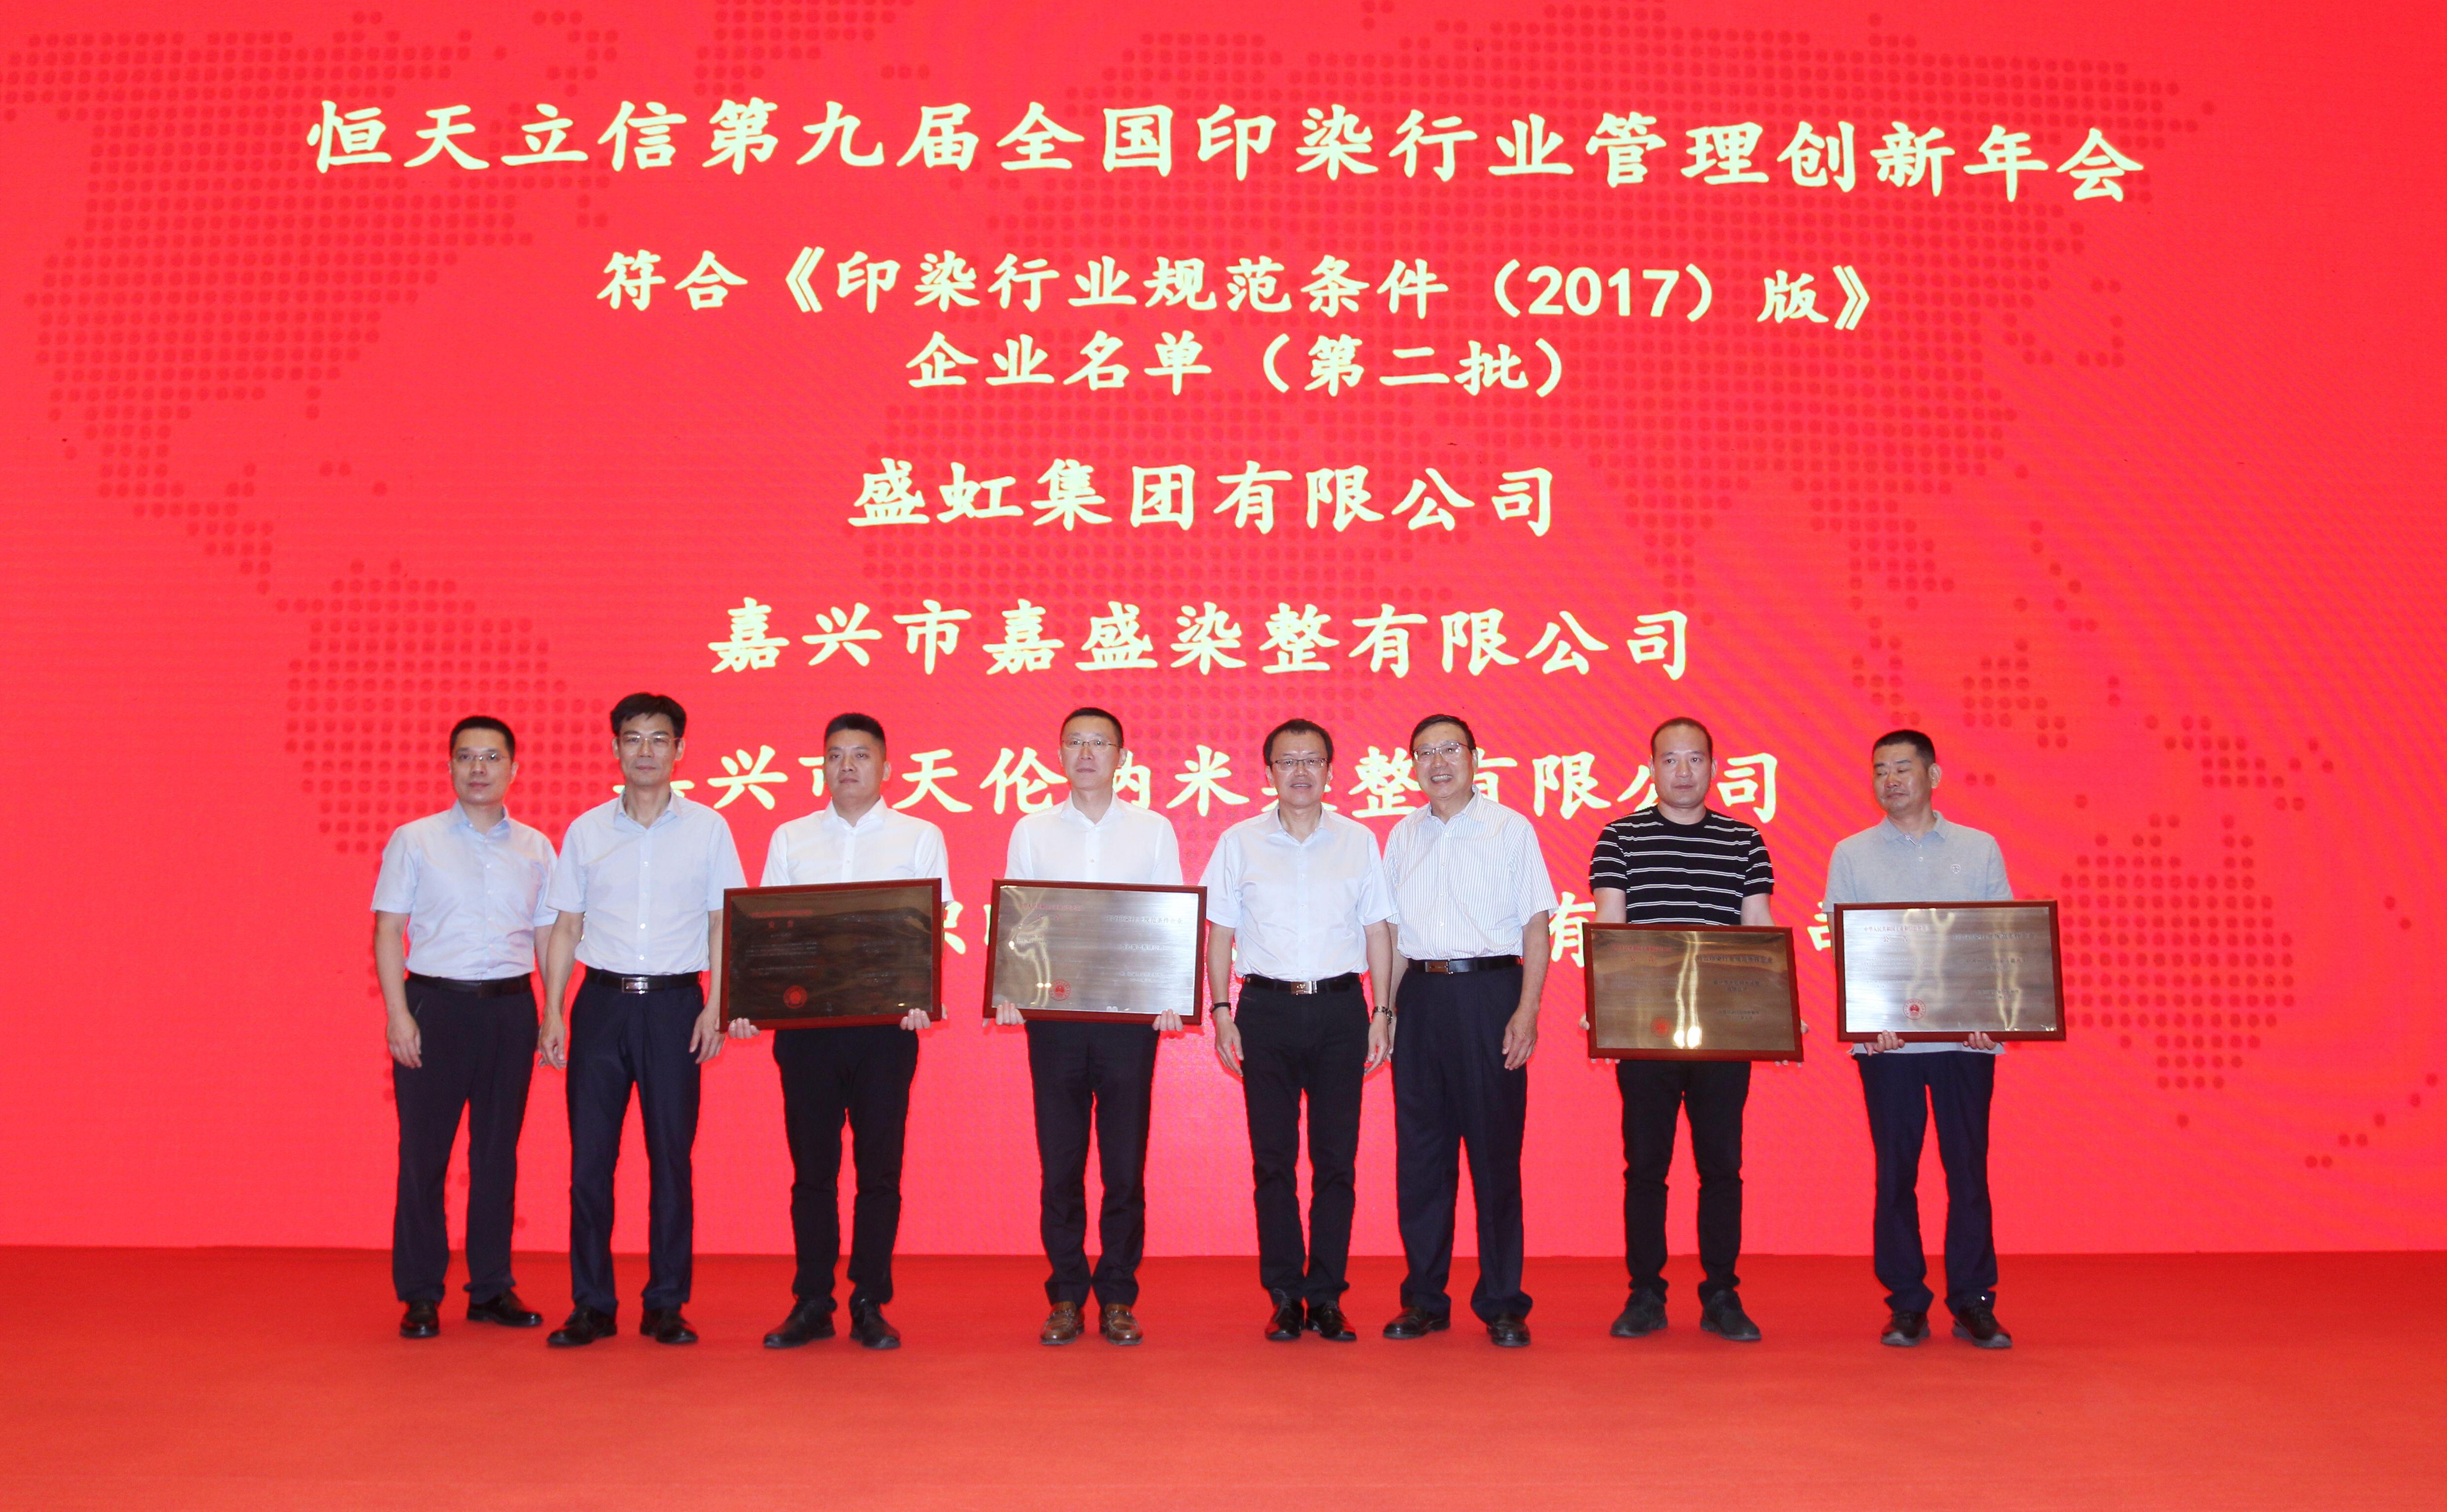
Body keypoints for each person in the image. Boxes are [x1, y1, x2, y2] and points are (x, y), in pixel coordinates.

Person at [731, 713, 948, 1352]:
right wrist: (751, 1001)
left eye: (860, 754)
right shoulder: (791, 837)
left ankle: (869, 1301)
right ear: (821, 765)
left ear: (886, 767)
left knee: (879, 1171)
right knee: (812, 1171)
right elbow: (769, 934)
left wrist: (920, 998)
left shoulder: (920, 835)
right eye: (834, 755)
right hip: (808, 1035)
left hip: (886, 1032)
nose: (846, 766)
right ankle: (812, 1301)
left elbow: (926, 934)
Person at [539, 693, 744, 1347]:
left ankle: (665, 1303)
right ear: (615, 747)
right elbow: (566, 925)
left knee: (670, 1161)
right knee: (590, 1164)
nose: (646, 751)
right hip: (600, 1005)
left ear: (680, 749)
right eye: (633, 739)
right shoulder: (587, 831)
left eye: (659, 739)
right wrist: (552, 1010)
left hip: (675, 1007)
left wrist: (718, 1005)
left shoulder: (709, 828)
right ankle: (592, 1304)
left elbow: (723, 921)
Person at [1202, 718, 1396, 1344]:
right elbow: (1221, 932)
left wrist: (1382, 1012)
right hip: (1265, 1010)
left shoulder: (1358, 841)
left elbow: (1378, 930)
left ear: (1331, 771)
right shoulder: (1239, 841)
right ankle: (1286, 1295)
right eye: (1288, 761)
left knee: (1336, 1162)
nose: (1301, 771)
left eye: (1312, 759)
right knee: (1274, 1162)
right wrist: (1221, 1011)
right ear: (1269, 773)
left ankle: (1328, 1295)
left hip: (1341, 1011)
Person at [996, 707, 1184, 1346]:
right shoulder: (1031, 830)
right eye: (1074, 742)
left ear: (1121, 757)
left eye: (1099, 743)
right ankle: (1066, 1296)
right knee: (1060, 1164)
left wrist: (1169, 996)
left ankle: (1118, 1296)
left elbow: (1166, 919)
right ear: (1057, 755)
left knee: (1124, 1166)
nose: (1086, 753)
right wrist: (1010, 990)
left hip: (1129, 1022)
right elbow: (1020, 920)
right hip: (1054, 1020)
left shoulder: (1153, 830)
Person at [1824, 729, 2017, 1350]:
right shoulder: (1851, 854)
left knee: (1968, 1174)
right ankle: (1906, 1303)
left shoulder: (1978, 848)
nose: (1891, 780)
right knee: (1895, 1176)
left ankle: (1974, 1301)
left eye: (1903, 768)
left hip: (1966, 1044)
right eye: (1880, 769)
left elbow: (2000, 941)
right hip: (1889, 1048)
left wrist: (1991, 1016)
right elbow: (1848, 949)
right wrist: (1867, 1021)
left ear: (1933, 776)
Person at [1587, 717, 1776, 1344]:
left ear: (1714, 768)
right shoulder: (1620, 837)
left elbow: (1757, 928)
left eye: (1695, 759)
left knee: (1721, 1166)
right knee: (1646, 1166)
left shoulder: (1744, 841)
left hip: (1724, 1030)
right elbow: (1611, 928)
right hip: (1647, 1029)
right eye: (1670, 760)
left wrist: (1776, 1009)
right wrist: (1605, 1005)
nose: (1683, 771)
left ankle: (1721, 1293)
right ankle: (1645, 1293)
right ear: (1652, 769)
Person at [371, 715, 556, 1339]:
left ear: (513, 769)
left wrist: (553, 1010)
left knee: (497, 1155)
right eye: (467, 757)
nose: (480, 768)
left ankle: (491, 1288)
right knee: (423, 1156)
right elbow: (388, 929)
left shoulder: (536, 847)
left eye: (492, 757)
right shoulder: (415, 840)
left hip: (510, 1010)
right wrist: (398, 1013)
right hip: (435, 1008)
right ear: (450, 766)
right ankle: (421, 1293)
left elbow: (547, 937)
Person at [1378, 714, 1556, 1348]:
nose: (1438, 762)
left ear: (1475, 758)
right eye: (1424, 752)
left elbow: (1536, 927)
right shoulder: (1402, 836)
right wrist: (1386, 1013)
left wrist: (1526, 1011)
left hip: (1489, 995)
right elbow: (1392, 936)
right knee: (1421, 1160)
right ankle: (1424, 1299)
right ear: (1412, 766)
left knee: (1493, 1156)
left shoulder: (1510, 829)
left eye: (1449, 749)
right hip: (1420, 998)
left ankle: (1503, 1303)